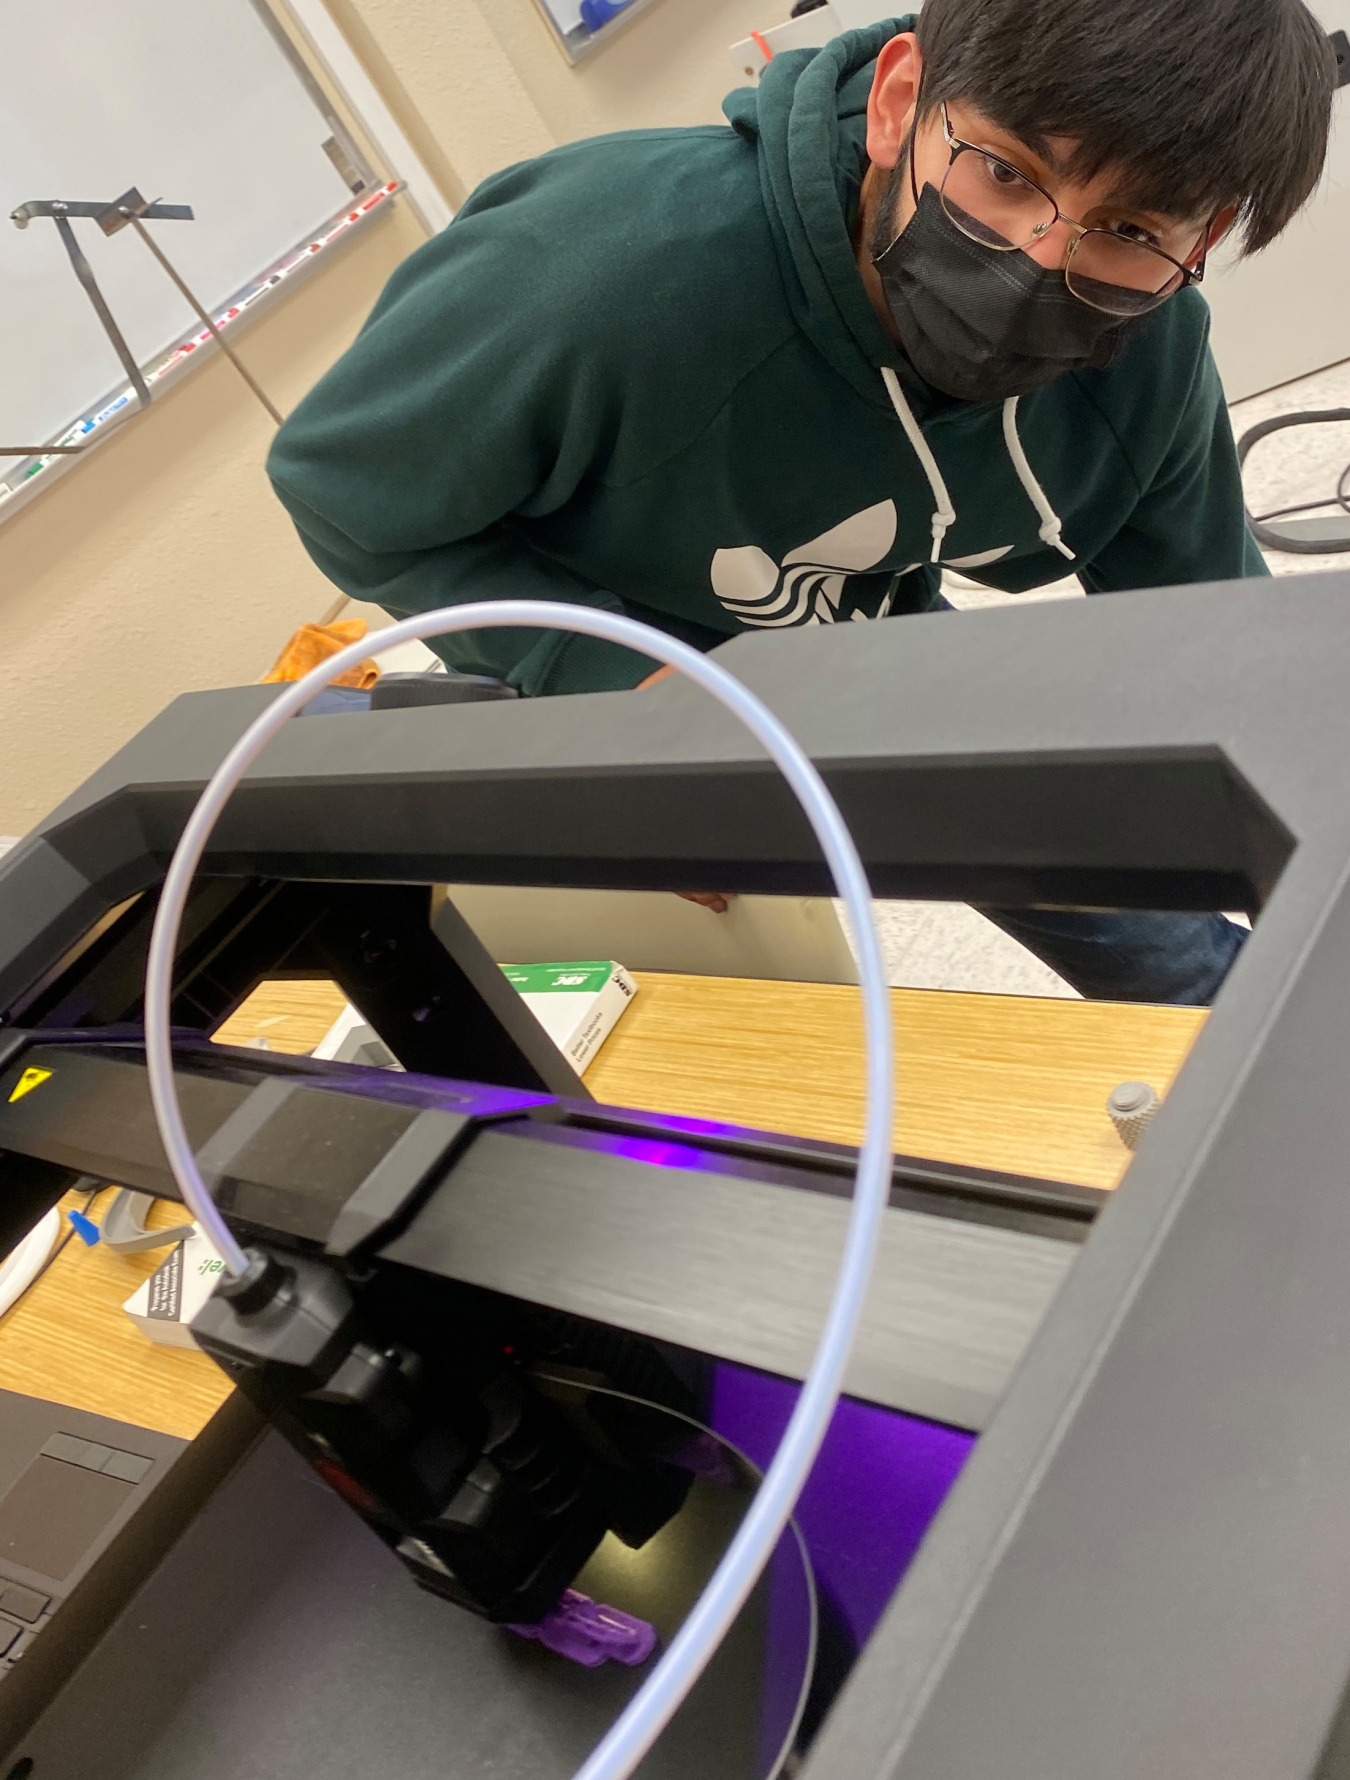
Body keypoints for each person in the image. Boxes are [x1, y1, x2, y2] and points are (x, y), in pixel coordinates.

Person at [267, 0, 1334, 1004]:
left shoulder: (1142, 353)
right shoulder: (600, 273)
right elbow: (342, 490)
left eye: (1130, 230)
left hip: (847, 608)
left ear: (1205, 238)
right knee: (711, 1019)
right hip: (597, 610)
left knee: (1129, 909)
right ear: (897, 101)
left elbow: (1218, 659)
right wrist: (594, 692)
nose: (1040, 255)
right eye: (1004, 171)